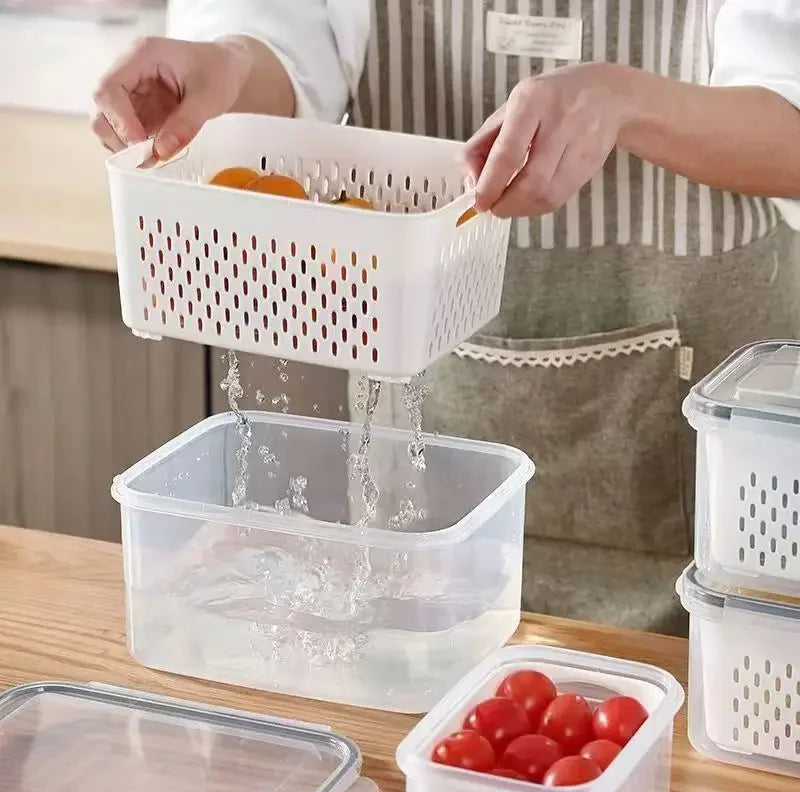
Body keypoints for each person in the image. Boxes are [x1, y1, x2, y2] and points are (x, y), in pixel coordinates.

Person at [93, 1, 800, 634]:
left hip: (706, 488)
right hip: (427, 458)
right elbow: (289, 56)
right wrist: (231, 62)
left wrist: (624, 101)